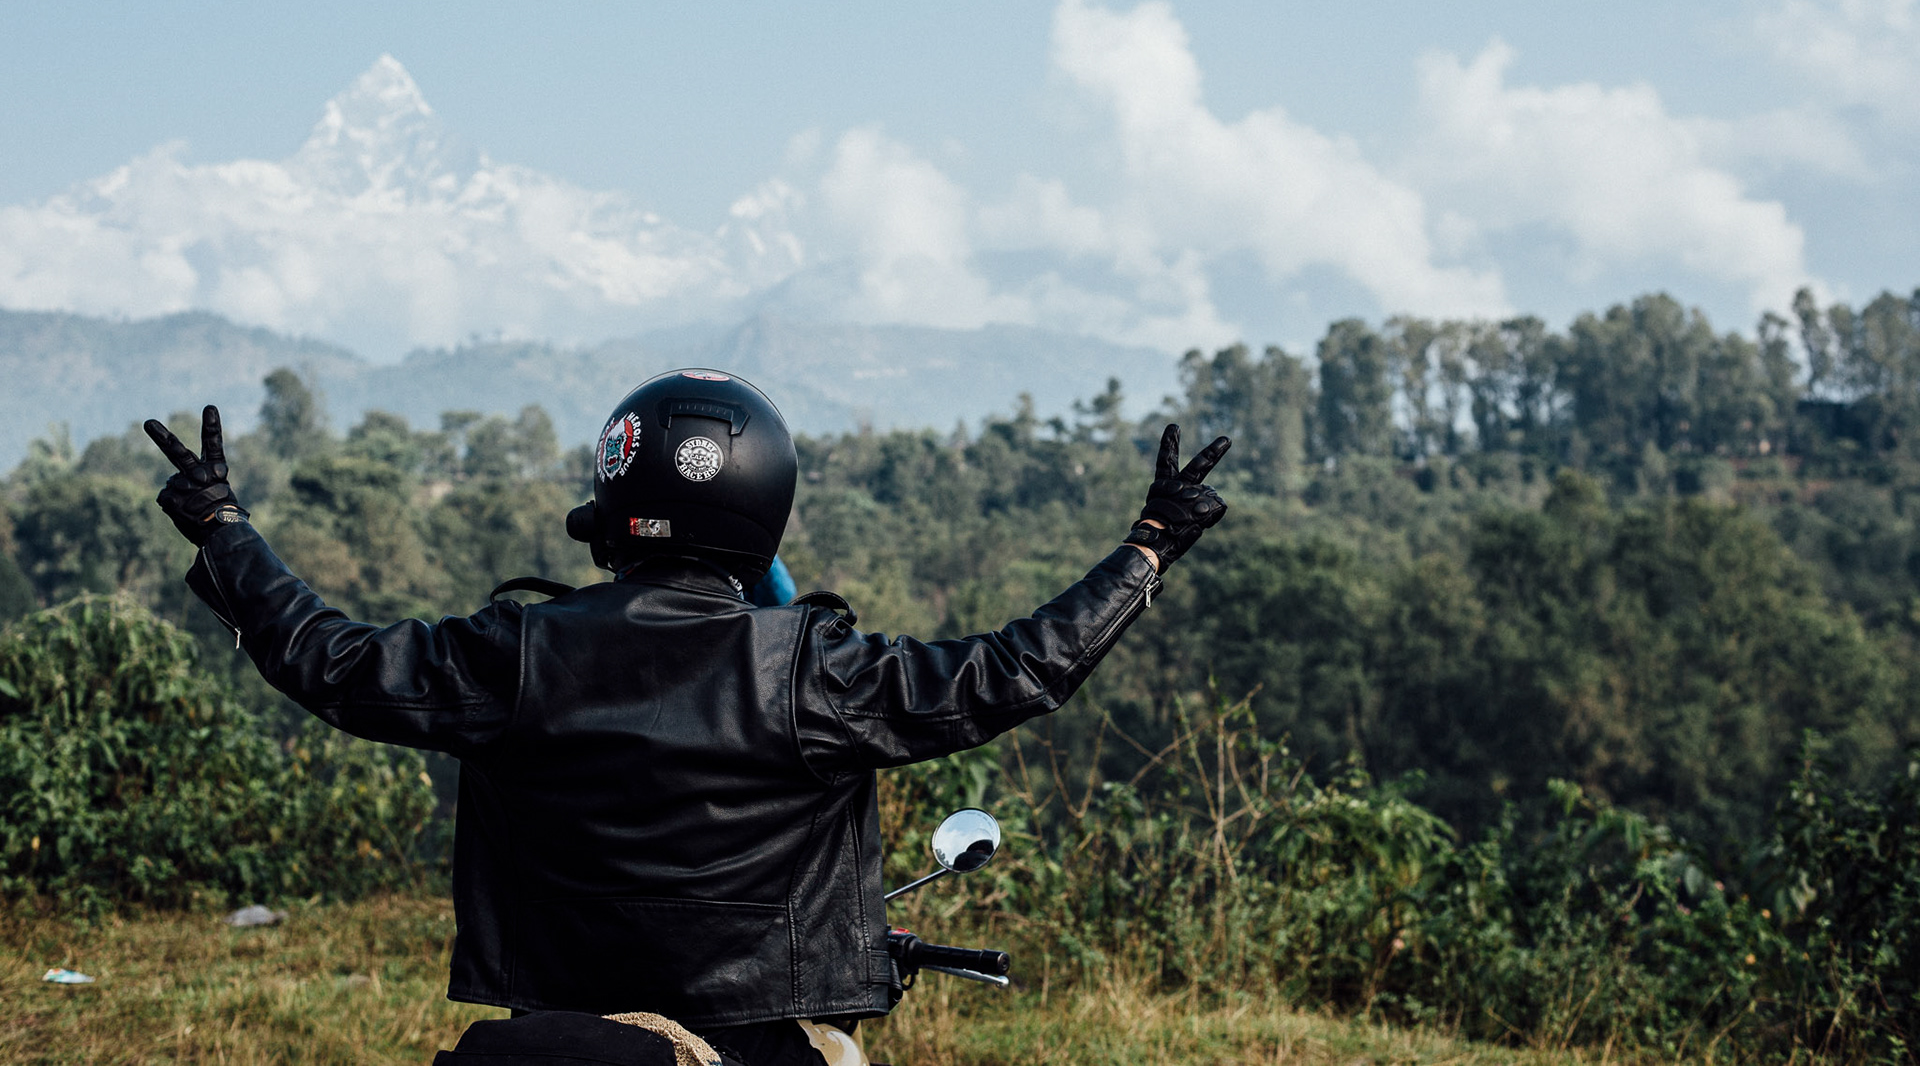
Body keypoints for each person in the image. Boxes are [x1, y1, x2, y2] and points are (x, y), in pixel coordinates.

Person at [145, 370, 1229, 1066]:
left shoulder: (514, 651)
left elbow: (329, 659)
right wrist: (1146, 550)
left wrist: (224, 527)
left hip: (553, 1027)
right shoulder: (812, 669)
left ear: (615, 505)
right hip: (759, 1043)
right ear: (765, 508)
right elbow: (1011, 671)